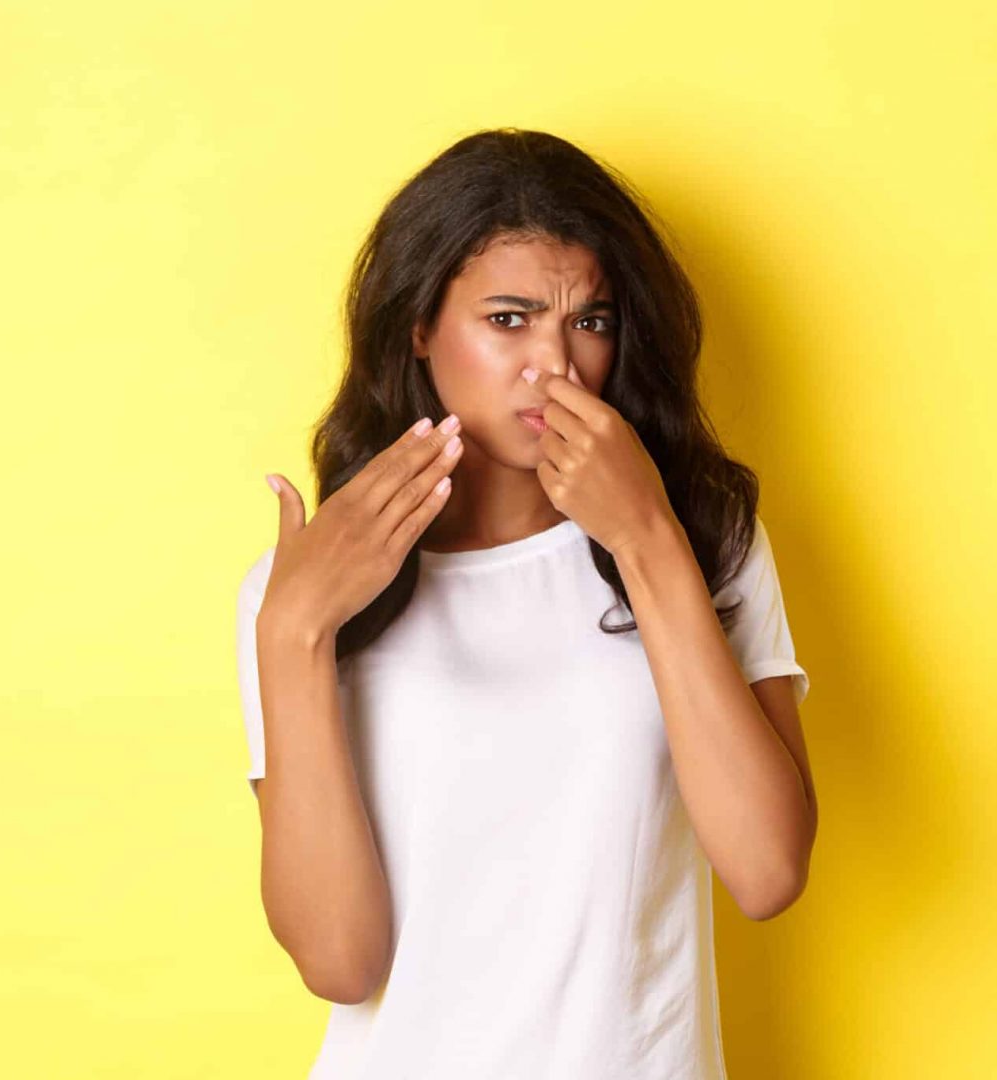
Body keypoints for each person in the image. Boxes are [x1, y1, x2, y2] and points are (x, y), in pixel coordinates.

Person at [235, 127, 817, 1080]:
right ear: (419, 327)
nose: (555, 365)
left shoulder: (704, 538)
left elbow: (766, 872)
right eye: (508, 320)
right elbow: (339, 962)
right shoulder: (304, 592)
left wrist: (645, 539)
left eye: (589, 321)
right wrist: (294, 634)